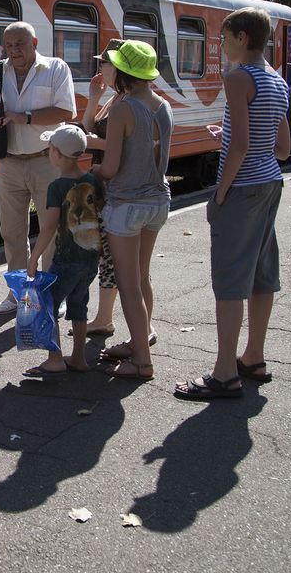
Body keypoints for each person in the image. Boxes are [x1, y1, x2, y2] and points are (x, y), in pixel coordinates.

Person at [175, 7, 290, 400]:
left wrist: (221, 192)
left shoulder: (238, 77)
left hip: (242, 189)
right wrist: (231, 131)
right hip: (271, 183)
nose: (221, 47)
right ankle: (253, 357)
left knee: (228, 281)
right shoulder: (277, 80)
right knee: (261, 274)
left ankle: (225, 374)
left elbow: (240, 146)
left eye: (224, 39)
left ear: (242, 38)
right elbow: (283, 147)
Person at [0, 21, 76, 315]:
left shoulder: (55, 69)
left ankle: (52, 292)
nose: (14, 50)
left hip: (47, 159)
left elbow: (67, 111)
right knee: (12, 232)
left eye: (20, 44)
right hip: (10, 161)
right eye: (9, 45)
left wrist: (23, 117)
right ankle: (17, 294)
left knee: (52, 230)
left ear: (34, 42)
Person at [92, 40, 173, 381]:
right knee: (141, 277)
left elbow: (110, 167)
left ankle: (142, 362)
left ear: (125, 71)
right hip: (158, 199)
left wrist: (88, 172)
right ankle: (142, 339)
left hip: (127, 204)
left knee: (127, 284)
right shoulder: (162, 106)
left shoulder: (124, 108)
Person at [21, 125, 104, 377]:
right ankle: (79, 358)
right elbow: (99, 210)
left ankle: (55, 358)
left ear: (56, 153)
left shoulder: (57, 187)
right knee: (79, 303)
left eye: (49, 149)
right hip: (90, 257)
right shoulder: (92, 180)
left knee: (48, 303)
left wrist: (33, 258)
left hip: (67, 257)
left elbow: (48, 227)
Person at [77, 39, 122, 339]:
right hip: (104, 185)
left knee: (112, 257)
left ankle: (106, 318)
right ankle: (103, 317)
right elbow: (87, 126)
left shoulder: (128, 102)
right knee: (106, 255)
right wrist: (94, 98)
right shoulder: (114, 99)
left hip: (116, 183)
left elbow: (128, 147)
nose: (99, 67)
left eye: (103, 63)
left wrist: (96, 144)